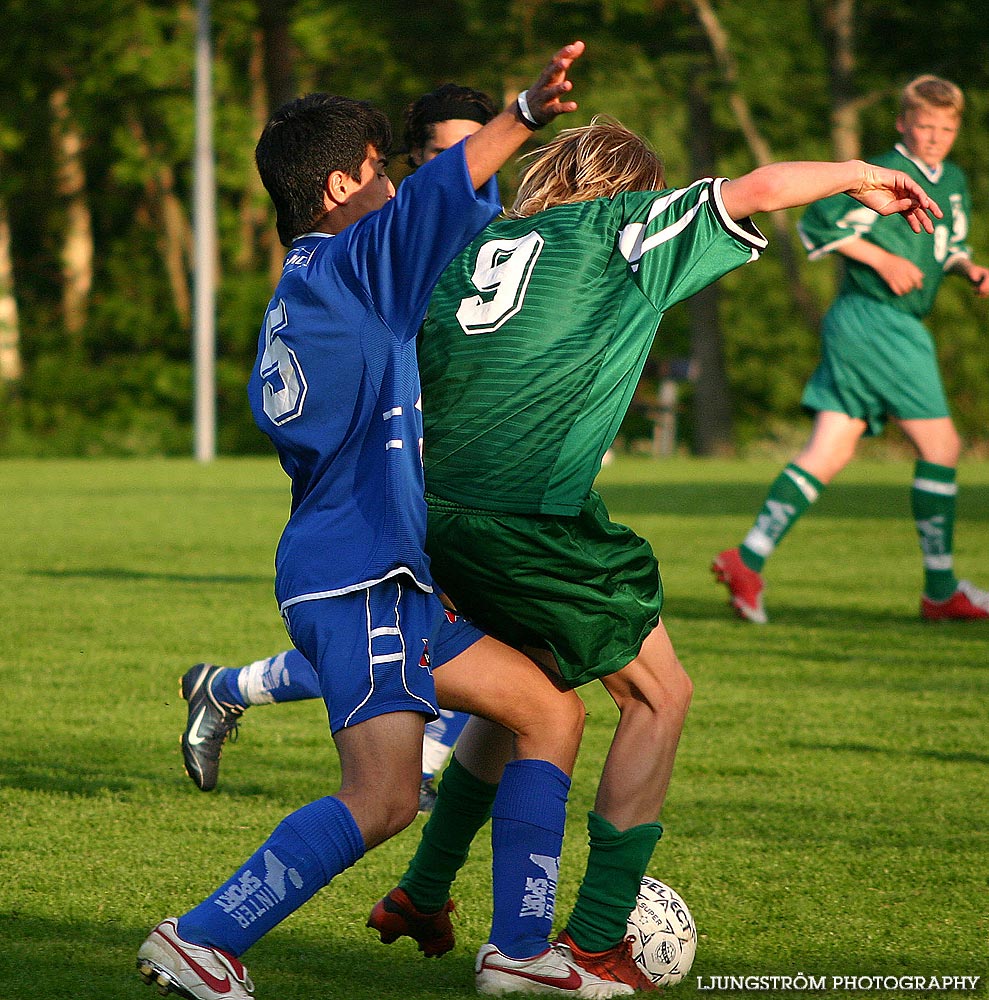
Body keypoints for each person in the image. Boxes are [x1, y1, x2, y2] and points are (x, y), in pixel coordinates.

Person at [363, 118, 941, 992]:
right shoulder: (623, 227)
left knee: (529, 686)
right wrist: (859, 173)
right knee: (659, 696)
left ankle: (423, 890)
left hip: (428, 513)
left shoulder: (474, 240)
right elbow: (757, 186)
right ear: (631, 187)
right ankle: (596, 946)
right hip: (528, 518)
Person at [137, 42, 635, 1000]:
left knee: (548, 708)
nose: (394, 186)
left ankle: (519, 953)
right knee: (382, 797)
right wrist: (524, 110)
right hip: (361, 573)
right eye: (379, 169)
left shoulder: (306, 284)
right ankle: (202, 939)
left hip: (375, 573)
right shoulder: (355, 263)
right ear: (338, 185)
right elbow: (445, 188)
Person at [177, 84, 500, 813]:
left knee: (528, 692)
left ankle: (229, 689)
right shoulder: (374, 252)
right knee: (427, 674)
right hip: (385, 491)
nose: (444, 165)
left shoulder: (464, 227)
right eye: (431, 153)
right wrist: (527, 112)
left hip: (413, 468)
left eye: (467, 146)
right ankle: (200, 931)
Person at [712, 74, 989, 625]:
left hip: (875, 325)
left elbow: (947, 244)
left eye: (945, 128)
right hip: (876, 319)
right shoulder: (880, 172)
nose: (934, 137)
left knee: (829, 451)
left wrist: (967, 267)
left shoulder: (952, 180)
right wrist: (881, 259)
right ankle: (939, 590)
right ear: (902, 124)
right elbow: (819, 224)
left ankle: (746, 561)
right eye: (924, 125)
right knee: (942, 445)